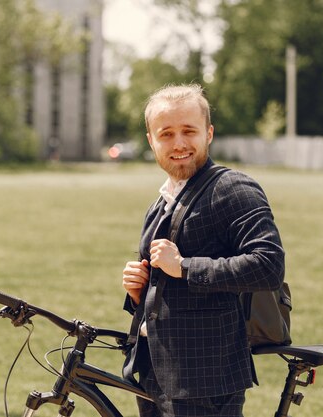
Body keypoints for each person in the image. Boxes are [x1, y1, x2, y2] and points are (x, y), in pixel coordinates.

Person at [121, 83, 285, 417]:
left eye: (188, 131)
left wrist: (183, 267)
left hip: (205, 382)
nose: (178, 143)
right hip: (156, 370)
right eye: (166, 133)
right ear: (151, 139)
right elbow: (167, 287)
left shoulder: (234, 189)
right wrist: (138, 291)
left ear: (208, 133)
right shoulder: (162, 202)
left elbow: (268, 265)